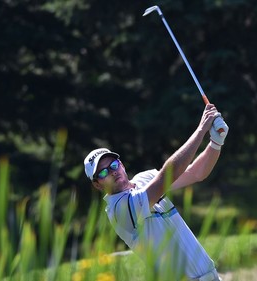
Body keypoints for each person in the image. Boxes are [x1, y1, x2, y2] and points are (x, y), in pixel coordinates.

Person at [84, 104, 229, 281]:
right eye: (103, 172)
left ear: (121, 164)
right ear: (97, 185)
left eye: (113, 165)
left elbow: (195, 173)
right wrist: (201, 130)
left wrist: (215, 142)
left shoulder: (145, 178)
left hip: (211, 275)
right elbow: (166, 177)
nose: (112, 171)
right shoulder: (119, 209)